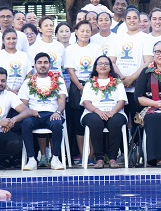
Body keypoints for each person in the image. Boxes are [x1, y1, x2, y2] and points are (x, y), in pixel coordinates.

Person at [19, 53, 68, 170]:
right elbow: (23, 104)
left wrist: (58, 112)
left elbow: (62, 102)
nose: (42, 65)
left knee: (57, 124)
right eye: (39, 62)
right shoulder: (28, 82)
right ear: (35, 65)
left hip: (52, 113)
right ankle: (31, 159)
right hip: (34, 114)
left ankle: (55, 158)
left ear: (50, 65)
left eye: (45, 62)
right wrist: (30, 112)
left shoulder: (58, 80)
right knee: (25, 124)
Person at [64, 20, 103, 165]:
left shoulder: (96, 48)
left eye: (88, 31)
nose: (85, 34)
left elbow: (100, 67)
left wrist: (90, 86)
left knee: (93, 119)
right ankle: (82, 154)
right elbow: (70, 71)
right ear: (76, 32)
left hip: (94, 85)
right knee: (78, 122)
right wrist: (81, 87)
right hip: (77, 86)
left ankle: (92, 155)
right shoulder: (70, 50)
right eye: (82, 31)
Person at [81, 55, 128, 168]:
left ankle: (112, 158)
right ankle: (99, 159)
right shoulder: (89, 83)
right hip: (93, 113)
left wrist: (112, 112)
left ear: (111, 67)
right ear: (95, 67)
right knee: (95, 122)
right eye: (100, 64)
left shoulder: (117, 83)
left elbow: (121, 101)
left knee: (115, 122)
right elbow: (86, 102)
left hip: (115, 112)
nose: (103, 66)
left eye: (106, 64)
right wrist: (98, 111)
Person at [111, 7, 154, 121]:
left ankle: (137, 140)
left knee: (137, 121)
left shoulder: (146, 38)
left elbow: (148, 61)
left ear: (139, 21)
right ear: (124, 20)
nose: (132, 20)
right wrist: (122, 78)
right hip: (119, 86)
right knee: (119, 121)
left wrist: (132, 78)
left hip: (138, 86)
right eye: (129, 18)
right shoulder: (117, 38)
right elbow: (112, 61)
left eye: (135, 18)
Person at [0, 28, 31, 94]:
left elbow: (29, 75)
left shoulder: (24, 55)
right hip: (3, 93)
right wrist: (10, 91)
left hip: (21, 93)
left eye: (14, 38)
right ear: (3, 40)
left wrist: (21, 91)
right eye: (8, 39)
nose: (11, 41)